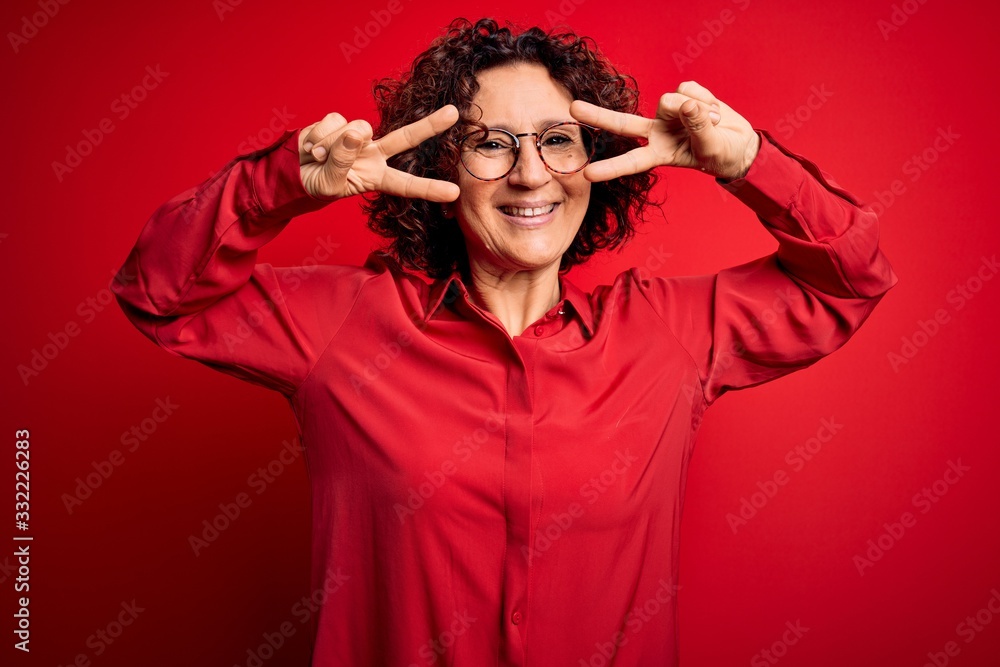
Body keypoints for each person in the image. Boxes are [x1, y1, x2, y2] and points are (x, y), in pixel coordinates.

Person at [111, 17, 896, 667]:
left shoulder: (668, 338)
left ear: (596, 164)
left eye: (559, 140)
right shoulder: (343, 332)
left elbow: (854, 276)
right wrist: (279, 182)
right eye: (491, 143)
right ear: (440, 167)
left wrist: (750, 163)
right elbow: (158, 292)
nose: (530, 175)